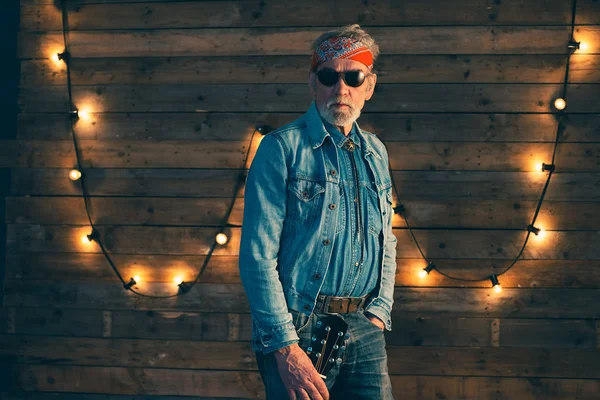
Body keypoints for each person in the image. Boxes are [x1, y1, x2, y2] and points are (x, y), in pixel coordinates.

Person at [239, 24, 397, 400]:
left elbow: (386, 239)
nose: (340, 88)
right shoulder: (280, 149)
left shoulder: (376, 152)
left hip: (365, 325)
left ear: (369, 86)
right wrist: (285, 347)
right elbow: (257, 258)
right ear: (313, 83)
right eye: (328, 76)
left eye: (353, 76)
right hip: (298, 327)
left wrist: (379, 311)